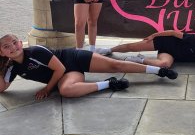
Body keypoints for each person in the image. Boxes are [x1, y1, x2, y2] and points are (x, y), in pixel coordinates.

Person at [0, 34, 178, 100]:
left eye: (14, 42)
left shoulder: (36, 51)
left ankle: (159, 71)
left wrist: (47, 89)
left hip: (73, 59)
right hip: (66, 75)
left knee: (115, 64)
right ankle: (110, 84)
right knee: (66, 91)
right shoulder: (11, 67)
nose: (13, 48)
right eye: (6, 47)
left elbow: (60, 68)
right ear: (2, 53)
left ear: (19, 42)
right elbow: (2, 88)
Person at [102, 30, 195, 68]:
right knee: (131, 46)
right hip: (164, 42)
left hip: (168, 53)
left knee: (164, 65)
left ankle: (140, 59)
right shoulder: (194, 39)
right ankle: (109, 50)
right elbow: (173, 33)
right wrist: (154, 35)